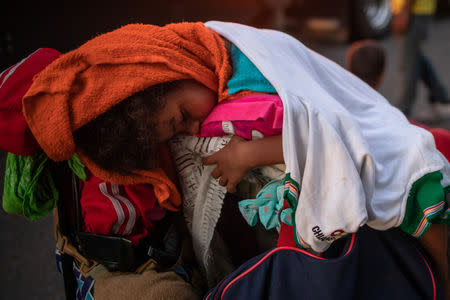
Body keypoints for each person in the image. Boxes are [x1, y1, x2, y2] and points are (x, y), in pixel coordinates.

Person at [21, 22, 449, 295]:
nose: (193, 129)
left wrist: (247, 152)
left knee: (403, 184)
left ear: (173, 68)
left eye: (183, 117)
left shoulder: (248, 70)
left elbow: (325, 128)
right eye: (180, 130)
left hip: (379, 133)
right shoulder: (208, 67)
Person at [391, 0, 450, 117]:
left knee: (409, 63)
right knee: (414, 58)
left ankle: (403, 112)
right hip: (413, 10)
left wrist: (404, 10)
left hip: (413, 10)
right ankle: (441, 98)